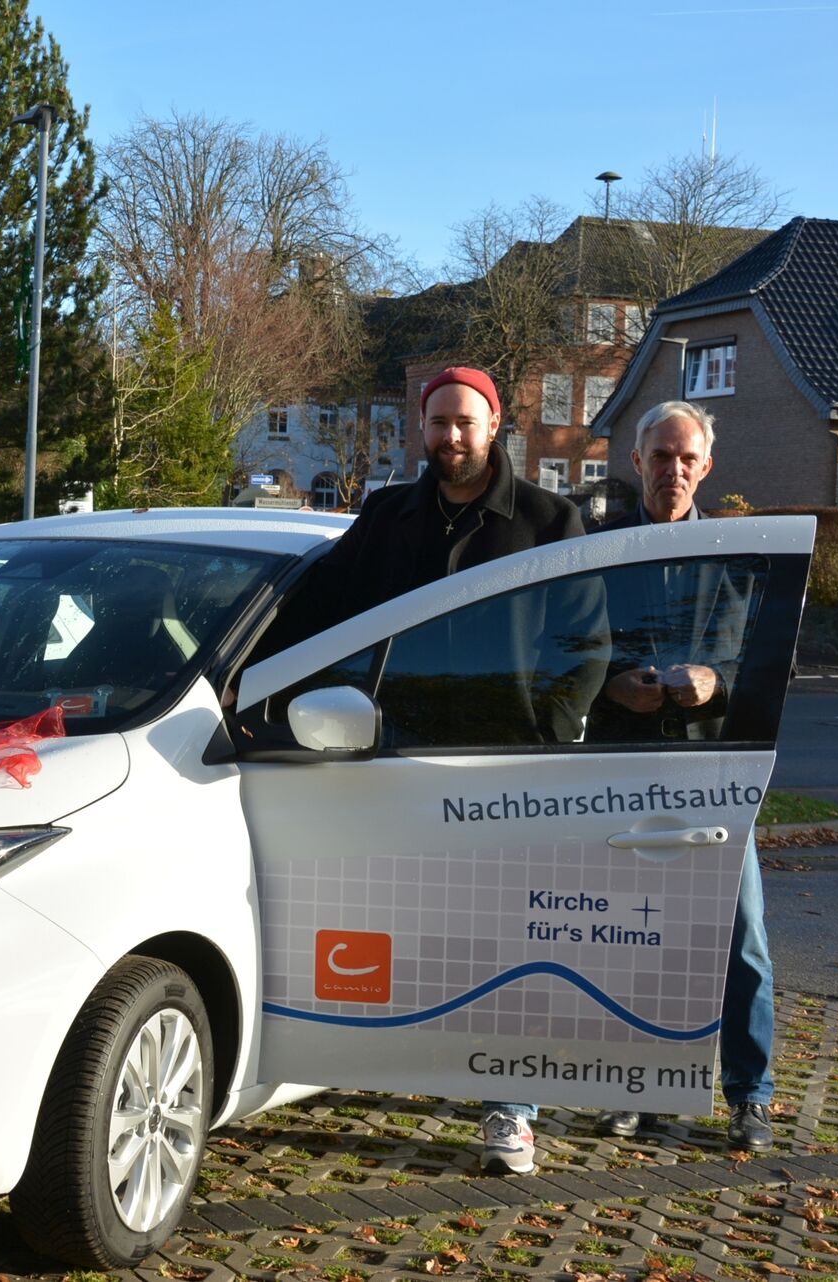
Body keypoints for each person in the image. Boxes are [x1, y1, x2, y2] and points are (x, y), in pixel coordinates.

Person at [260, 367, 596, 1175]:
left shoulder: (553, 522)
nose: (450, 437)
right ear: (421, 426)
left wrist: (539, 742)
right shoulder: (386, 515)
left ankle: (511, 1109)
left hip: (508, 772)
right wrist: (250, 676)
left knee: (516, 945)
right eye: (438, 422)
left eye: (465, 424)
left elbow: (586, 646)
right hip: (397, 759)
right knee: (412, 931)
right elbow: (320, 610)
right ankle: (392, 1064)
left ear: (496, 426)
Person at [586, 400, 776, 1152]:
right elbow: (568, 648)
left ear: (706, 467)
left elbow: (763, 658)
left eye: (685, 458)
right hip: (621, 765)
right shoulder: (595, 551)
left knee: (744, 936)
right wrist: (607, 684)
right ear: (635, 461)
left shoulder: (738, 557)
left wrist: (718, 683)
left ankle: (750, 1095)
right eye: (659, 456)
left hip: (712, 769)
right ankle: (635, 1086)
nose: (672, 470)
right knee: (628, 936)